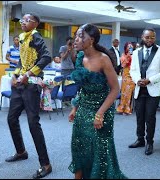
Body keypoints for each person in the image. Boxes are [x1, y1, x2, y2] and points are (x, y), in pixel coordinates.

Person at [68, 24, 126, 179]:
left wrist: (99, 114)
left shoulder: (103, 59)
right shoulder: (80, 57)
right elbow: (83, 88)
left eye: (81, 36)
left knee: (99, 150)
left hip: (102, 109)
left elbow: (115, 90)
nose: (76, 39)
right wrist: (75, 107)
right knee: (79, 145)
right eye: (76, 36)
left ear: (91, 40)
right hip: (83, 109)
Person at [4, 13, 52, 179]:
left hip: (31, 85)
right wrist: (15, 74)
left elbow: (47, 57)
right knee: (11, 118)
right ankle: (21, 151)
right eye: (22, 20)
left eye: (26, 20)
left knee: (33, 123)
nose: (23, 22)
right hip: (20, 84)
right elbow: (21, 61)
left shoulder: (36, 37)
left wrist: (29, 73)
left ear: (35, 23)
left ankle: (45, 164)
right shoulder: (23, 37)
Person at [128, 28, 160, 155]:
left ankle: (149, 142)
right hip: (139, 88)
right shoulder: (136, 52)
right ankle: (140, 139)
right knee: (139, 116)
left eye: (152, 37)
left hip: (153, 89)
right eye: (147, 37)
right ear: (142, 37)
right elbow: (132, 70)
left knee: (150, 117)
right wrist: (138, 80)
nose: (150, 40)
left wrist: (149, 80)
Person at [116, 42, 135, 115]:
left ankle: (127, 108)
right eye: (128, 46)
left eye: (131, 46)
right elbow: (123, 65)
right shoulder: (123, 55)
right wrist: (128, 56)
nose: (130, 48)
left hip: (132, 75)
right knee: (124, 92)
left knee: (129, 92)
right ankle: (122, 108)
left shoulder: (135, 55)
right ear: (126, 47)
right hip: (126, 74)